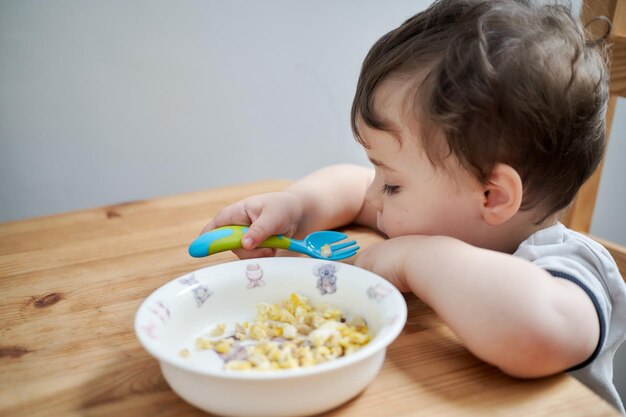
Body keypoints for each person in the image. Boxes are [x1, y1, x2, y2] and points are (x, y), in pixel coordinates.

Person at [200, 0, 626, 412]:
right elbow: (350, 187)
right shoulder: (447, 214)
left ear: (492, 196)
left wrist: (416, 258)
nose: (372, 196)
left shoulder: (569, 267)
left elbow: (537, 336)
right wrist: (297, 206)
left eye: (391, 184)